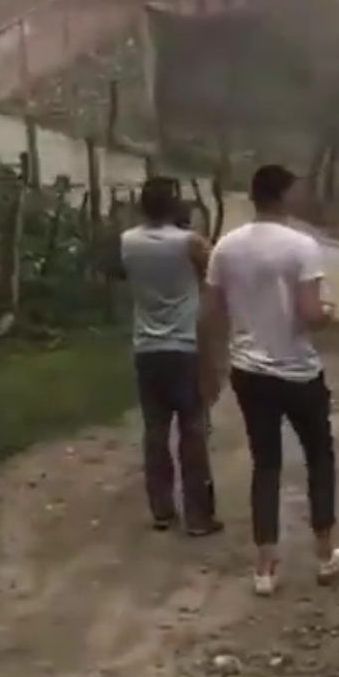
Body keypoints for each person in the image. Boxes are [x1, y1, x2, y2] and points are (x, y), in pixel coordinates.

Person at [205, 164, 339, 595]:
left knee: (266, 464)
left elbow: (212, 313)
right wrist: (329, 313)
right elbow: (311, 315)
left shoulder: (226, 247)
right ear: (285, 197)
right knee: (318, 457)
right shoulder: (300, 246)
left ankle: (265, 567)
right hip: (296, 370)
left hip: (249, 370)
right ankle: (327, 554)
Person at [115, 177, 220, 535]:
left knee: (155, 431)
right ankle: (198, 515)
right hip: (185, 347)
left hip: (146, 347)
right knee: (192, 430)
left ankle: (161, 509)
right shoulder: (189, 243)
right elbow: (215, 273)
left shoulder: (127, 242)